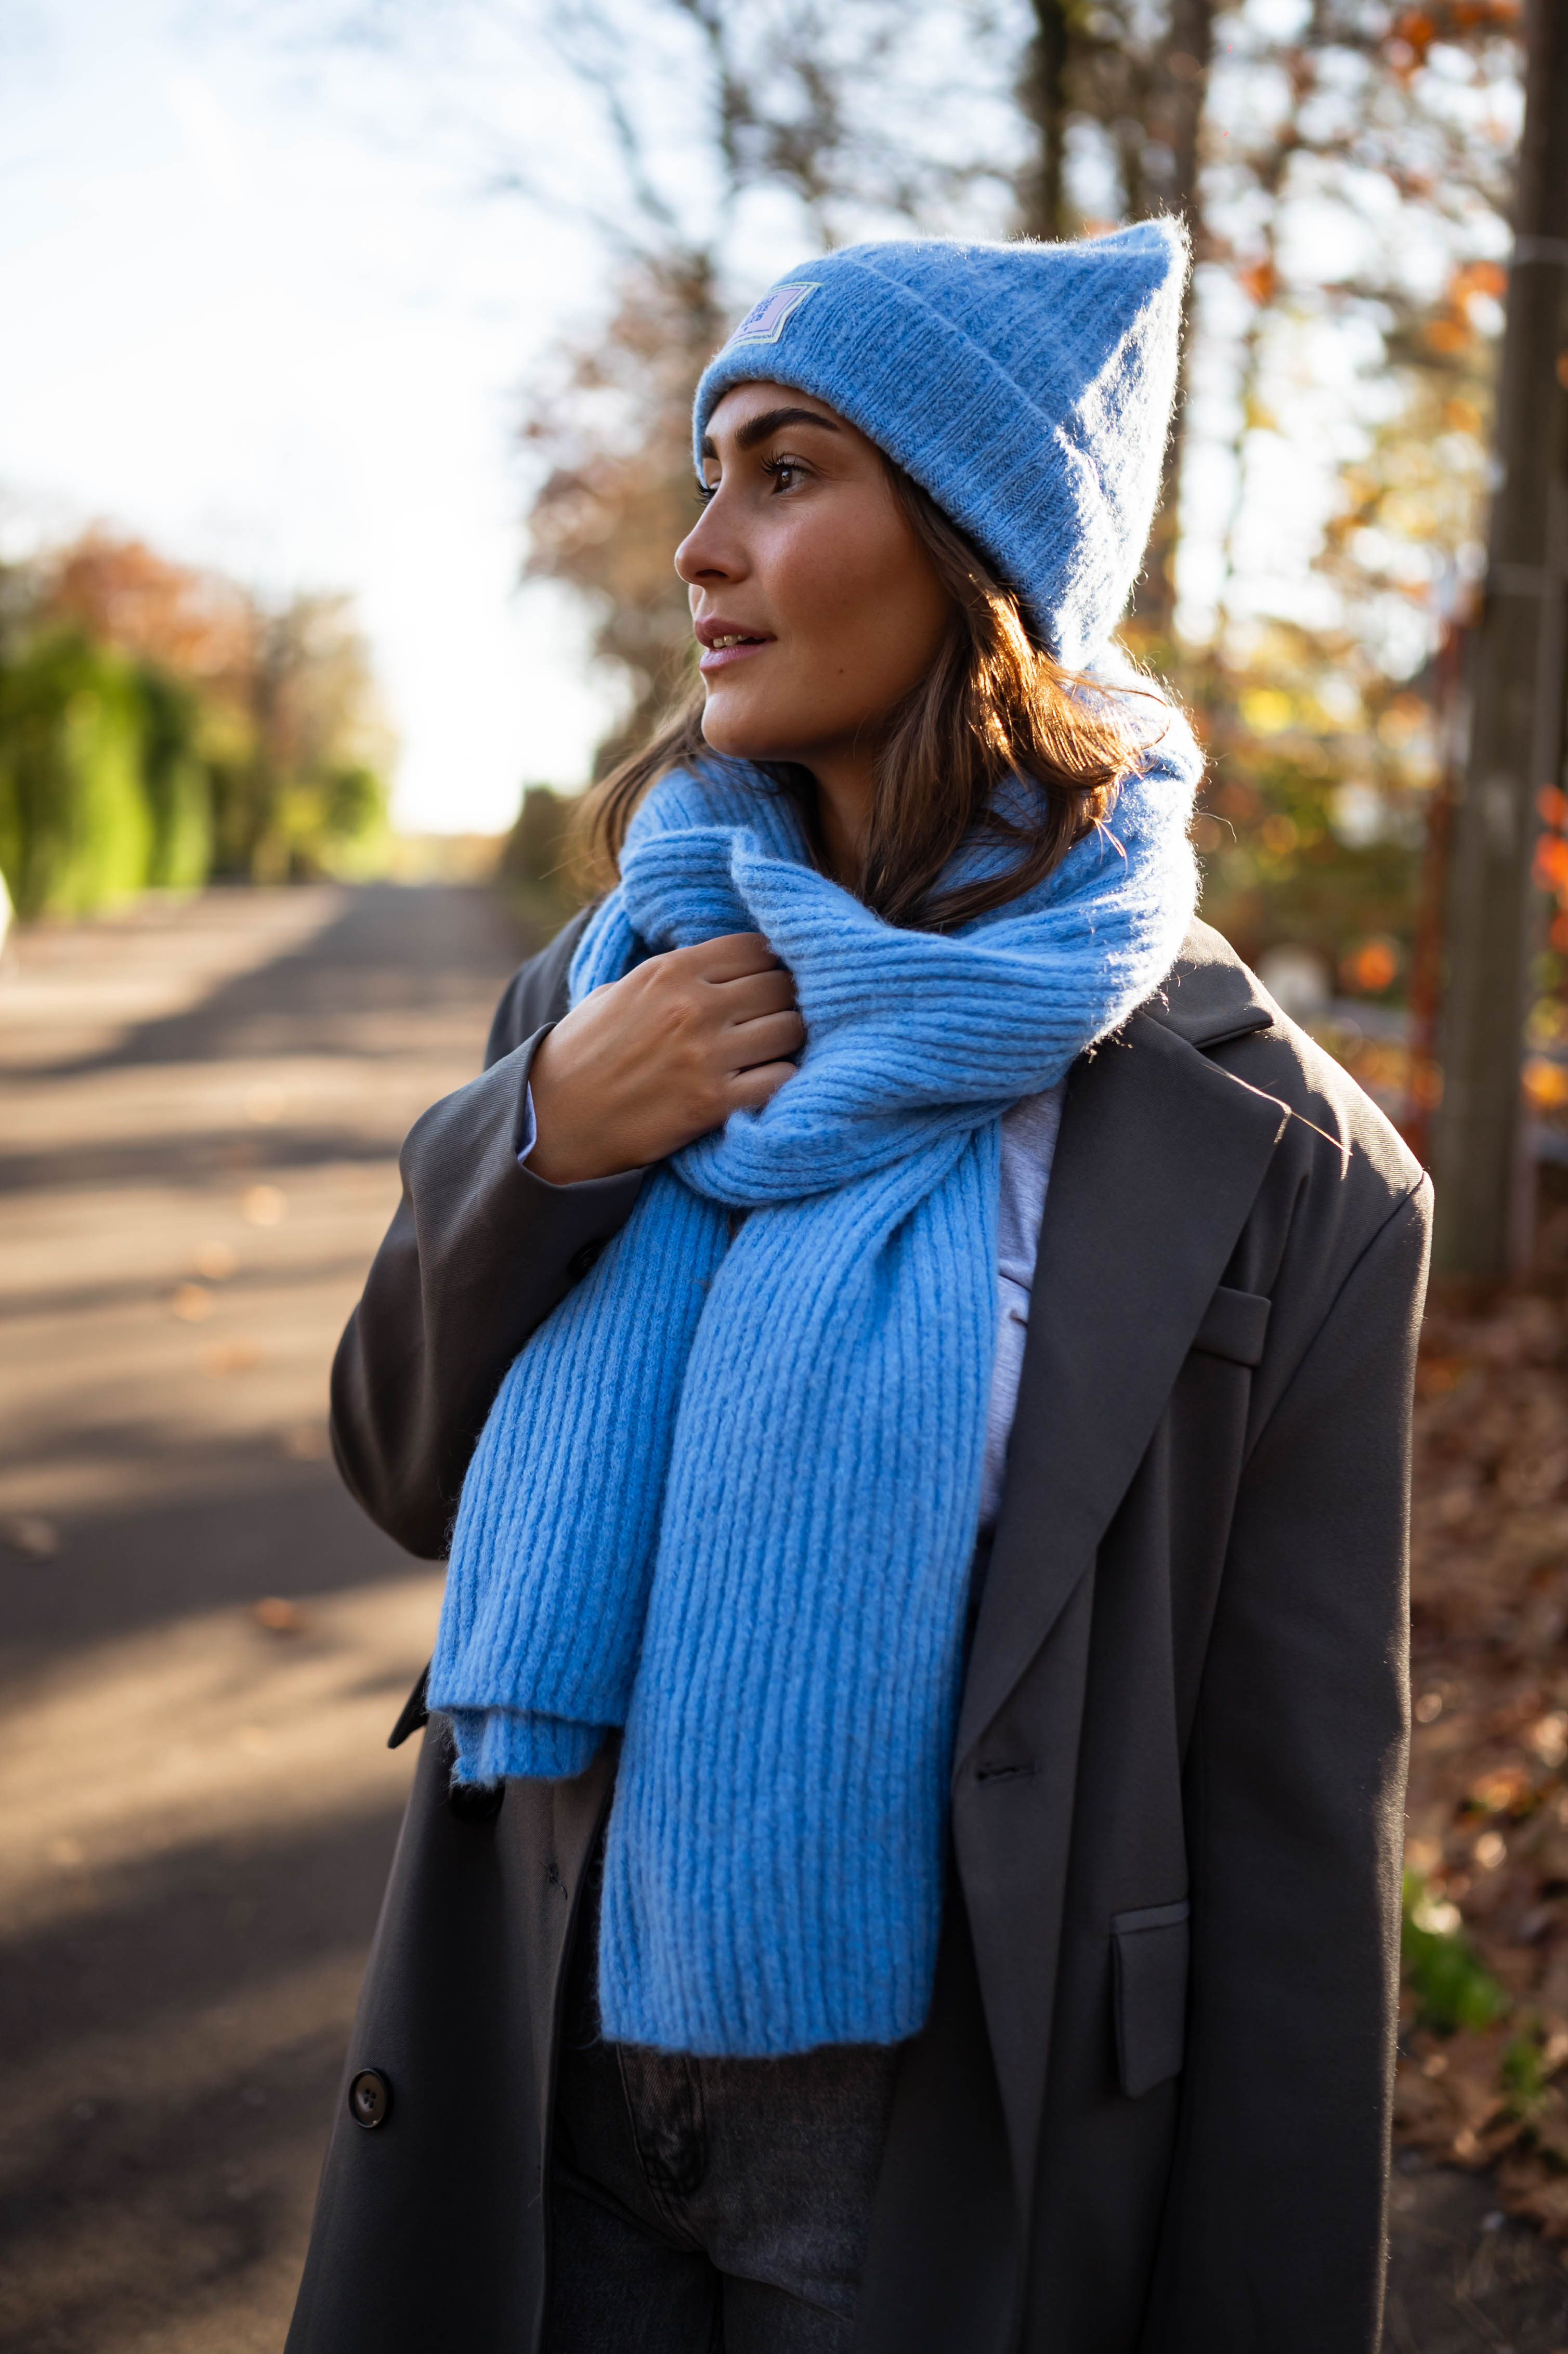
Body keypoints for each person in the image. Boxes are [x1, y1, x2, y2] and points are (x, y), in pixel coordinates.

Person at [285, 221, 1430, 2354]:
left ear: (979, 557)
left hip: (950, 2162)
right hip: (539, 2068)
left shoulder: (1279, 1157)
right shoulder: (611, 987)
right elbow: (398, 1459)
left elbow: (1295, 1849)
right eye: (708, 473)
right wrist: (543, 1138)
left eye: (789, 472)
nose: (701, 548)